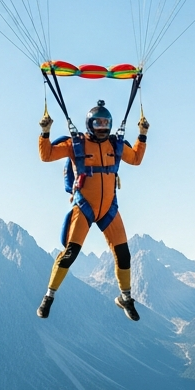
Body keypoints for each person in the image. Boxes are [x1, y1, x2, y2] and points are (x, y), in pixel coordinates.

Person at [37, 99, 149, 320]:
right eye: (98, 123)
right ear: (90, 124)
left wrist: (142, 134)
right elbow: (47, 155)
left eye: (106, 124)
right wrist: (45, 131)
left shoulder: (115, 145)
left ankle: (125, 298)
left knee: (124, 255)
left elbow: (135, 158)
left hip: (109, 209)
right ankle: (48, 297)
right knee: (69, 254)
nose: (102, 128)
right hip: (85, 208)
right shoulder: (76, 144)